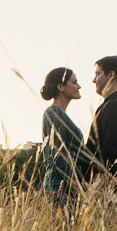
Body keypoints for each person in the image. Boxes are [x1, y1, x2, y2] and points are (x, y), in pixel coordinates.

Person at [84, 55, 117, 195]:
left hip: (110, 189)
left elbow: (111, 152)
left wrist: (98, 185)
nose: (93, 80)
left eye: (97, 74)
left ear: (111, 75)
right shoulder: (114, 104)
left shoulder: (114, 106)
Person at [40, 67, 84, 207]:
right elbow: (58, 154)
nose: (79, 86)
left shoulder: (60, 113)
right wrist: (78, 187)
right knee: (66, 229)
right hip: (60, 185)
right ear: (61, 87)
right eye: (74, 82)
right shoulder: (54, 113)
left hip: (66, 185)